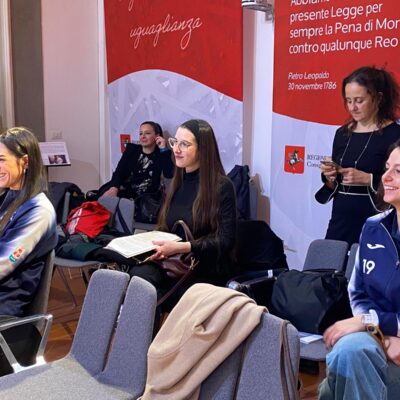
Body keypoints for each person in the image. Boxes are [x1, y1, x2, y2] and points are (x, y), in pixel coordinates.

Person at [319, 140, 400, 399]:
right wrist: (378, 333)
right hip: (378, 339)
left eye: (398, 171)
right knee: (349, 352)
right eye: (387, 168)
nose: (385, 177)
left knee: (341, 367)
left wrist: (369, 322)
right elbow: (358, 292)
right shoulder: (373, 227)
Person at [128, 119, 237, 303]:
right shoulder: (177, 183)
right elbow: (167, 228)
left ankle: (149, 320)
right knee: (138, 278)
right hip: (174, 261)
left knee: (150, 295)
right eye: (175, 142)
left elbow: (226, 240)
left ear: (203, 149)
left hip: (202, 268)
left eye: (184, 144)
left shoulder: (221, 186)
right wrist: (157, 247)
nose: (176, 149)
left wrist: (183, 247)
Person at [316, 66, 400, 245]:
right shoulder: (342, 133)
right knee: (333, 260)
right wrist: (330, 177)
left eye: (359, 101)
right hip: (341, 219)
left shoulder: (395, 134)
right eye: (348, 101)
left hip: (378, 219)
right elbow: (333, 185)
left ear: (378, 98)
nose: (352, 107)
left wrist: (369, 179)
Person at [0, 127, 57, 316]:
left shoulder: (39, 211)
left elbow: (4, 262)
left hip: (6, 312)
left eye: (1, 160)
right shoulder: (8, 197)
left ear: (25, 162)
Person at [102, 121, 174, 199]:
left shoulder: (161, 154)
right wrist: (114, 188)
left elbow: (169, 174)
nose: (143, 136)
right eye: (140, 133)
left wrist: (163, 149)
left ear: (157, 136)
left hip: (145, 199)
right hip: (124, 192)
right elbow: (119, 171)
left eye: (147, 133)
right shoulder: (131, 150)